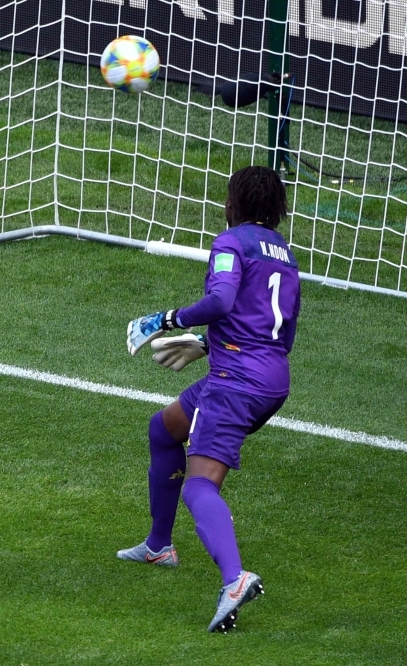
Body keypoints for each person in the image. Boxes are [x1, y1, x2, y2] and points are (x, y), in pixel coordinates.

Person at [122, 165, 300, 632]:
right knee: (164, 429)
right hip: (268, 379)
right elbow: (277, 330)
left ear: (233, 202)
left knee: (200, 484)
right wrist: (207, 345)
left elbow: (221, 302)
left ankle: (234, 579)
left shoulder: (231, 243)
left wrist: (166, 319)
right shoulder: (284, 255)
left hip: (235, 383)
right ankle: (160, 545)